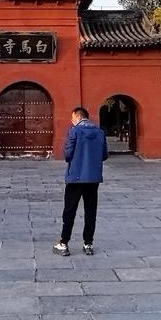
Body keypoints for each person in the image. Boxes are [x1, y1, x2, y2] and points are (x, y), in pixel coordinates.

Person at [54, 106, 108, 257]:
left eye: (72, 118)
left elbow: (68, 153)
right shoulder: (99, 132)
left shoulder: (75, 131)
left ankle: (64, 243)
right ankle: (88, 243)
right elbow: (104, 155)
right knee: (91, 211)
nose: (71, 121)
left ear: (78, 117)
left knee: (69, 210)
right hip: (93, 178)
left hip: (76, 176)